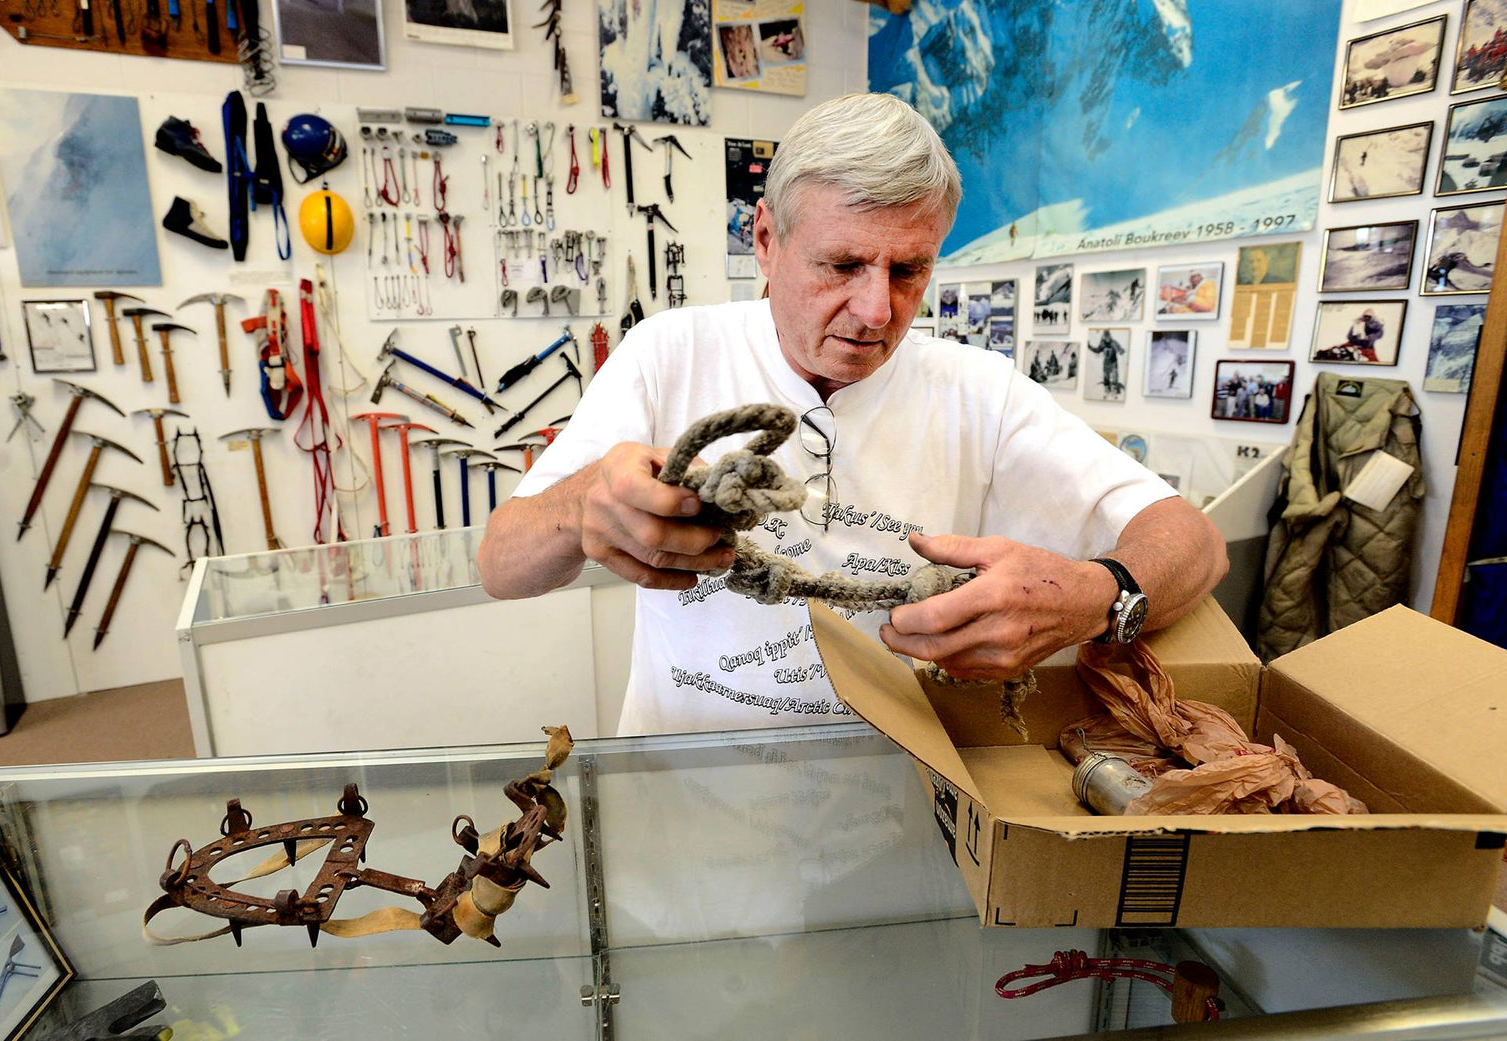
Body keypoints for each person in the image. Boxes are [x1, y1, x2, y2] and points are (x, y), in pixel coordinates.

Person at [478, 93, 1228, 736]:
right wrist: (584, 508)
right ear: (766, 240)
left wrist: (1095, 599)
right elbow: (500, 564)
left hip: (893, 826)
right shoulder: (668, 354)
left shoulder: (978, 391)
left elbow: (1192, 541)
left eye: (909, 271)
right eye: (843, 266)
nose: (878, 311)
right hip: (685, 819)